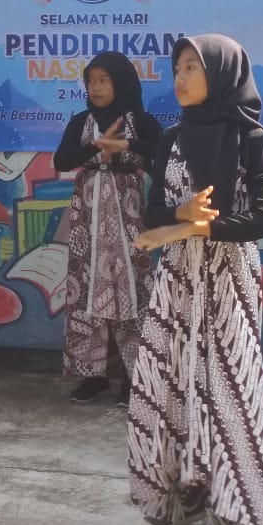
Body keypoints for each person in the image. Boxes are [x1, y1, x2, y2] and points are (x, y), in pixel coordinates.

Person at [128, 35, 263, 525]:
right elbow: (152, 212)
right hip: (176, 280)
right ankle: (179, 495)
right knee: (168, 382)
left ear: (221, 74)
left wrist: (199, 228)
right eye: (178, 67)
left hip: (228, 279)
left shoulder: (252, 138)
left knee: (225, 388)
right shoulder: (172, 138)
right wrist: (179, 216)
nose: (181, 76)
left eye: (193, 67)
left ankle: (225, 507)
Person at [53, 52, 162, 406]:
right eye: (91, 81)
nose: (96, 87)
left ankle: (134, 377)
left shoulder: (140, 121)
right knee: (87, 291)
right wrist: (95, 148)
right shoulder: (81, 121)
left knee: (130, 293)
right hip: (88, 222)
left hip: (129, 221)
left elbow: (163, 151)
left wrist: (126, 145)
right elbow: (61, 159)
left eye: (104, 80)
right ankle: (94, 376)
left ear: (122, 83)